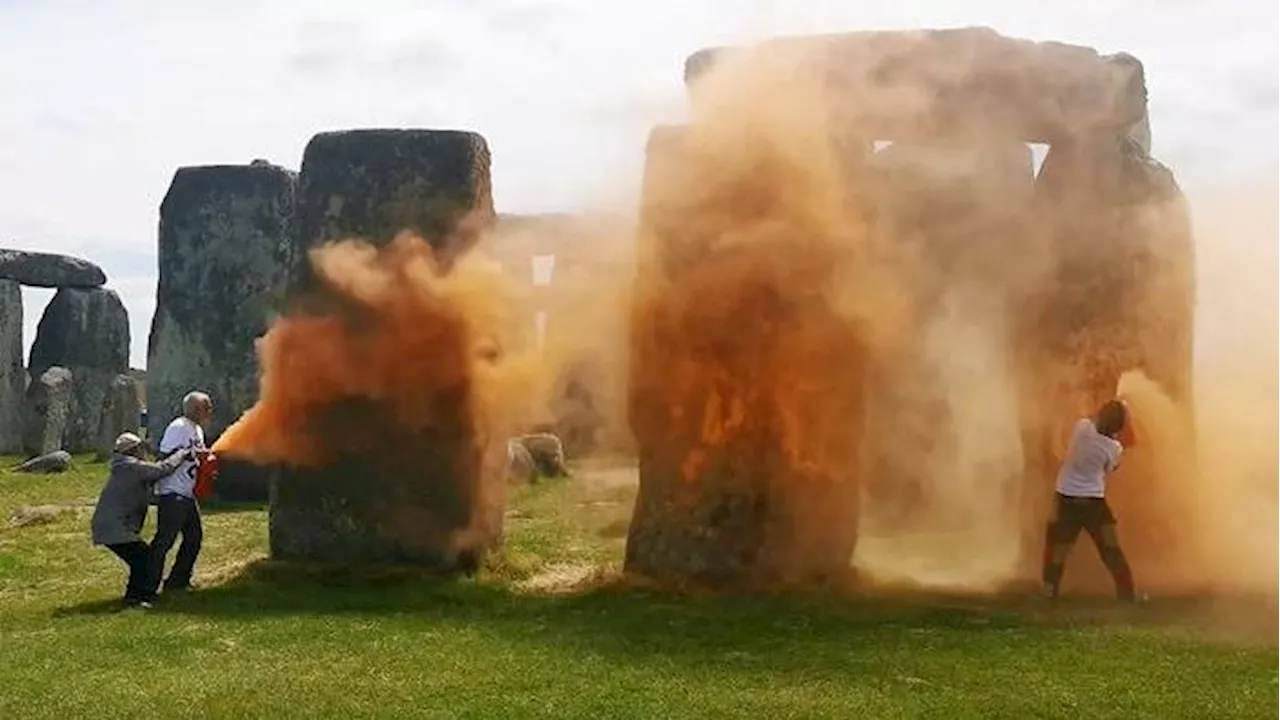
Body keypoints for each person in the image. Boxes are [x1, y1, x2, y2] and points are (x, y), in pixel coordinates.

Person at [1041, 399, 1138, 602]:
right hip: (1093, 503)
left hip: (1065, 499)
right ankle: (1126, 594)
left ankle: (1049, 592)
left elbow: (1091, 417)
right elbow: (1110, 468)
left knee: (1059, 549)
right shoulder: (1113, 448)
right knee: (1110, 549)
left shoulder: (1082, 428)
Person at [90, 432, 195, 608]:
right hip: (115, 527)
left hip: (109, 525)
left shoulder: (125, 468)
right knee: (144, 559)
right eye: (141, 448)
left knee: (140, 559)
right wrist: (182, 453)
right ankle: (137, 598)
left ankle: (135, 596)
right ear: (134, 450)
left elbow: (146, 496)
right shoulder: (131, 467)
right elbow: (163, 469)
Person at [145, 391, 214, 597]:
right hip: (173, 492)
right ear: (194, 409)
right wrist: (188, 455)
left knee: (194, 538)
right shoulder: (179, 427)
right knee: (164, 541)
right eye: (206, 407)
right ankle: (146, 586)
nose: (210, 411)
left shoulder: (197, 430)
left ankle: (177, 581)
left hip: (187, 493)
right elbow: (164, 457)